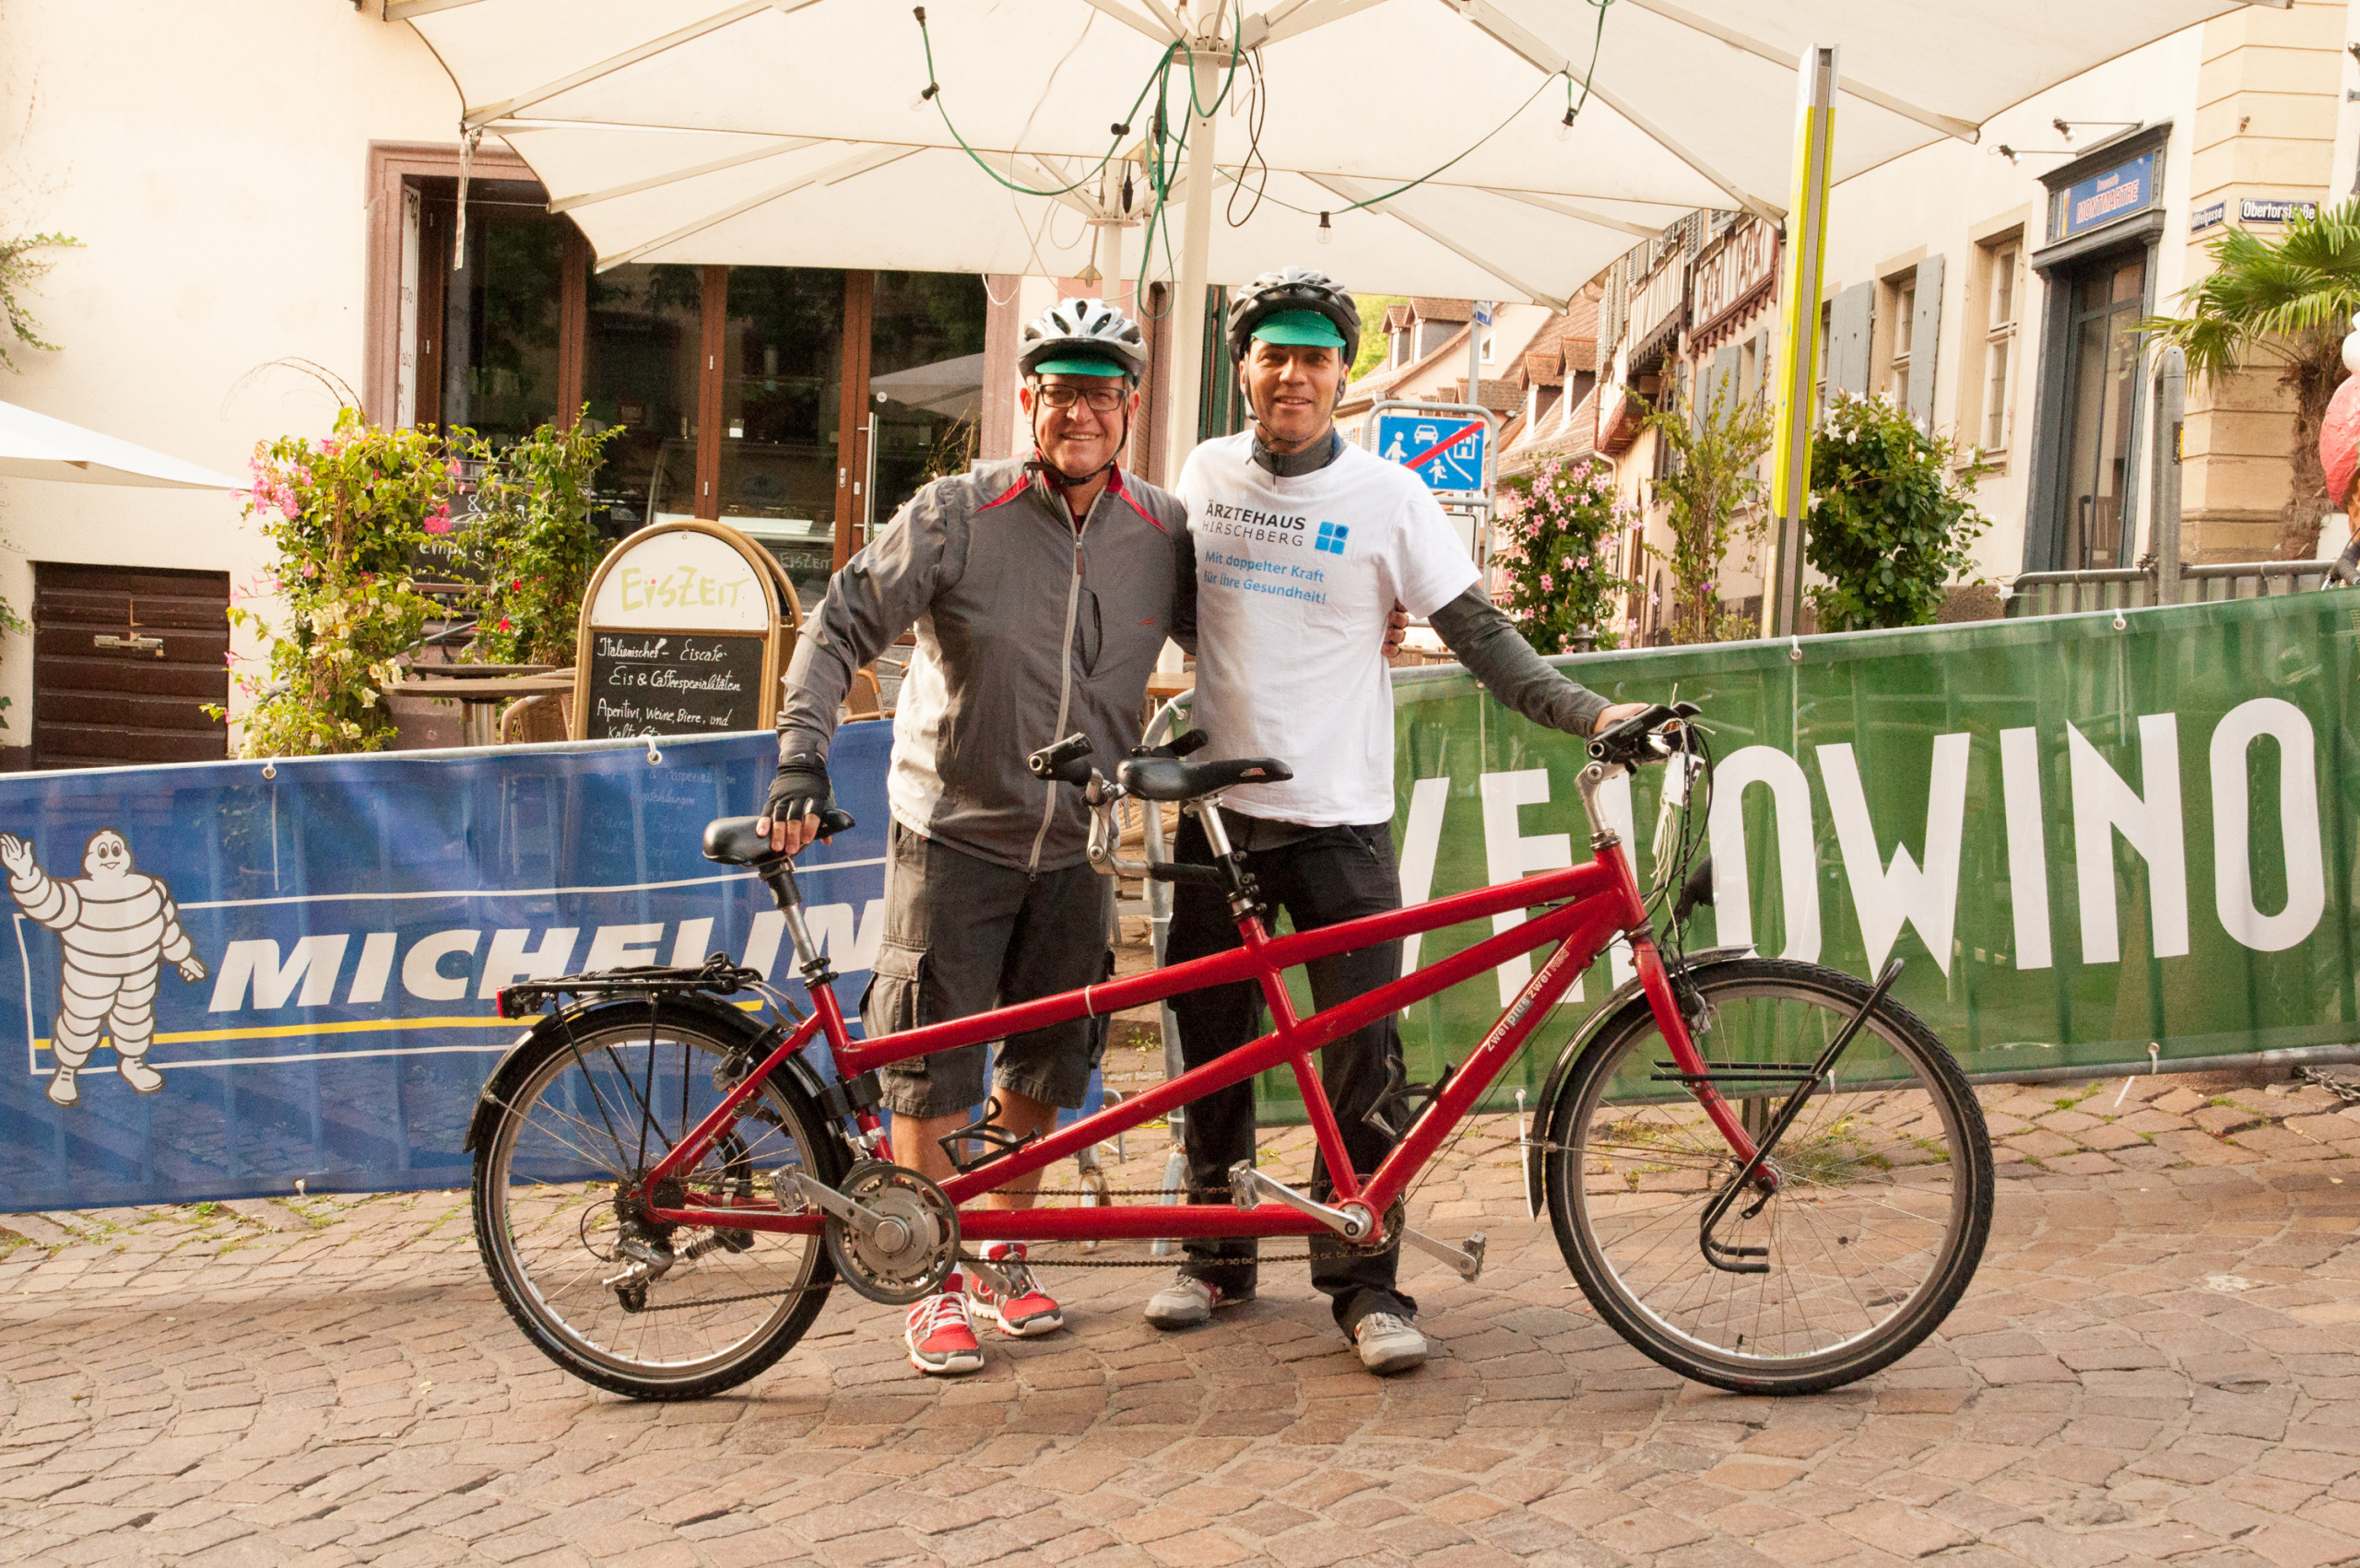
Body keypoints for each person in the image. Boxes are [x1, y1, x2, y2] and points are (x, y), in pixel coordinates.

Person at [1148, 267, 1648, 1375]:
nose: (1292, 375)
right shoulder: (1204, 472)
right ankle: (1213, 1255)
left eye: (1314, 359)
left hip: (1339, 821)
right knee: (1212, 1048)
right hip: (1218, 817)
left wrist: (1589, 712)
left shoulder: (1389, 496)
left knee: (1363, 1060)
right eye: (1274, 356)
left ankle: (1364, 1280)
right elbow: (1180, 605)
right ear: (1244, 370)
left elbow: (1479, 634)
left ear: (1343, 375)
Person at [758, 298, 1193, 1378]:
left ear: (1131, 406)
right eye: (1060, 392)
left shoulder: (1161, 532)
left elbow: (1243, 630)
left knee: (1045, 1060)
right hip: (952, 832)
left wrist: (1371, 617)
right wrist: (802, 752)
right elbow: (839, 623)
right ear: (1027, 401)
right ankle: (931, 1276)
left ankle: (997, 1249)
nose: (1079, 412)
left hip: (1078, 844)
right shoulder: (956, 513)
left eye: (1101, 392)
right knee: (932, 1062)